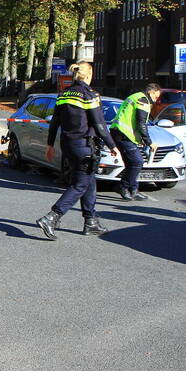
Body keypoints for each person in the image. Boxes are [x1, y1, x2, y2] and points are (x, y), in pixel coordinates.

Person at [34, 62, 118, 240]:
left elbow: (55, 121)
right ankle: (52, 217)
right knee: (80, 184)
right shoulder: (90, 95)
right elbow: (100, 125)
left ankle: (91, 221)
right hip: (84, 146)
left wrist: (50, 144)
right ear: (89, 75)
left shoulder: (63, 94)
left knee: (89, 182)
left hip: (67, 145)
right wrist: (112, 145)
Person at [111, 83, 162, 201]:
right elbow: (141, 123)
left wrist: (139, 138)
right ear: (151, 92)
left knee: (132, 164)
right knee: (137, 162)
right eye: (155, 97)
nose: (155, 101)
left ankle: (134, 190)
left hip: (120, 132)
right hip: (123, 134)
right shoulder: (143, 100)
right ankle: (122, 186)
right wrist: (149, 142)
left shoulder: (136, 96)